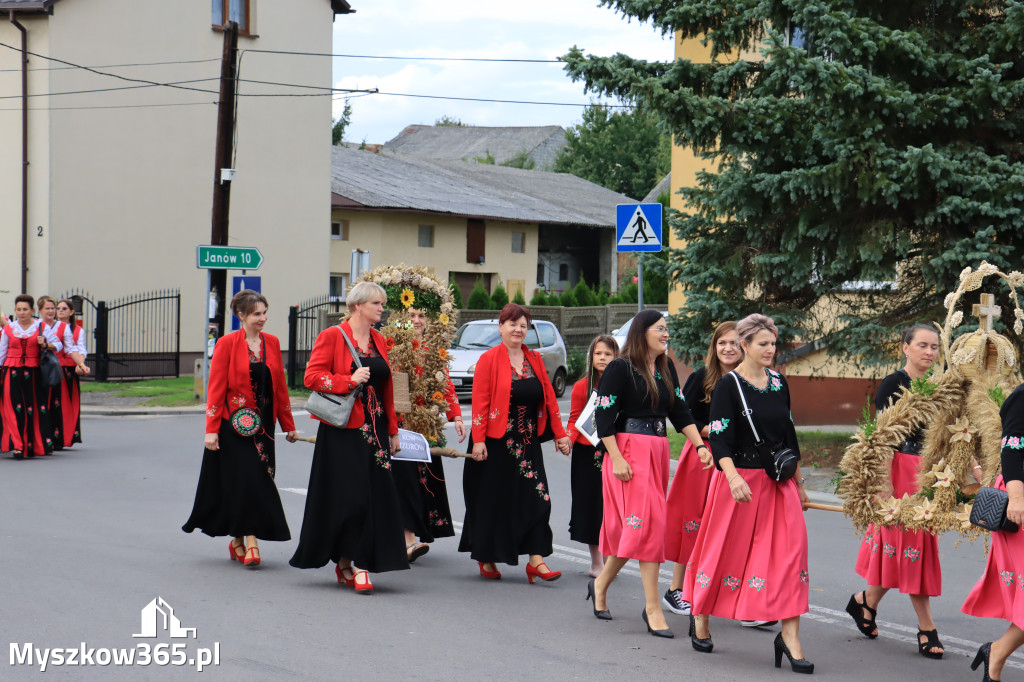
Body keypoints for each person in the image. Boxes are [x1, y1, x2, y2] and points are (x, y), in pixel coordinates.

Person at [682, 314, 813, 673]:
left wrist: (800, 485)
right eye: (763, 344)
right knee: (722, 551)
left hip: (778, 484)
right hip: (738, 482)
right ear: (745, 345)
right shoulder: (729, 386)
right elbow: (720, 437)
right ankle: (701, 615)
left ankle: (790, 636)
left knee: (791, 555)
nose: (771, 350)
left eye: (773, 343)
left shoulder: (779, 382)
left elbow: (790, 436)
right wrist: (732, 477)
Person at [846, 324, 981, 658]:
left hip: (928, 473)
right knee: (905, 547)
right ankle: (926, 628)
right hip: (899, 471)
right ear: (905, 347)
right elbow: (882, 437)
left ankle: (865, 602)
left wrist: (975, 467)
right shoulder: (893, 384)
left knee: (911, 548)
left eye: (934, 347)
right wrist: (883, 486)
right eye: (922, 345)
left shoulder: (940, 385)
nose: (930, 352)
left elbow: (954, 431)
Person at [588, 309, 705, 638]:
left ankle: (600, 585)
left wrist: (699, 446)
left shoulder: (665, 367)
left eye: (667, 329)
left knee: (639, 531)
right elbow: (603, 416)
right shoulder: (620, 367)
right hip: (626, 453)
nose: (666, 334)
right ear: (642, 333)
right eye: (660, 328)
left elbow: (680, 410)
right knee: (646, 528)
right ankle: (652, 607)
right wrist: (616, 458)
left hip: (656, 451)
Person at [289, 281, 409, 592]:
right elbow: (311, 377)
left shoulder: (380, 340)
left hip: (377, 430)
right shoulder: (332, 336)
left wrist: (393, 430)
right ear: (358, 306)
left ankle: (349, 561)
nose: (382, 309)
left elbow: (388, 389)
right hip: (343, 432)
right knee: (351, 497)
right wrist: (348, 380)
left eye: (382, 304)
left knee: (374, 496)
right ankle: (355, 562)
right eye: (376, 304)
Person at [182, 290, 297, 568]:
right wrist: (211, 430)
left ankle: (237, 540)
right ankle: (252, 542)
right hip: (233, 426)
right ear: (241, 316)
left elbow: (279, 387)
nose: (263, 318)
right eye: (256, 313)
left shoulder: (272, 343)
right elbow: (216, 388)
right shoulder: (227, 343)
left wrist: (289, 425)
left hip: (264, 429)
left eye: (265, 312)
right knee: (248, 481)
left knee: (255, 482)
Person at [460, 303, 572, 582]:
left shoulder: (534, 359)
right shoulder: (488, 359)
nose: (518, 329)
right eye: (513, 324)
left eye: (523, 325)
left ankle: (536, 559)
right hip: (495, 443)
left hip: (527, 443)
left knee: (538, 498)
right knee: (494, 501)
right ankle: (486, 555)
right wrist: (478, 440)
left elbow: (548, 399)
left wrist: (559, 434)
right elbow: (480, 403)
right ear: (501, 327)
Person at [662, 321, 739, 617]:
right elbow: (683, 417)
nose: (728, 348)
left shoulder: (749, 380)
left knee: (730, 529)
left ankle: (733, 597)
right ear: (714, 347)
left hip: (737, 463)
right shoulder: (700, 377)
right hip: (703, 458)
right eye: (722, 343)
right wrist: (714, 433)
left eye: (734, 342)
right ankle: (676, 590)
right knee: (693, 523)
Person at [391, 307, 465, 563]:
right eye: (411, 316)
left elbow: (445, 384)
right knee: (405, 481)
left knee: (424, 480)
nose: (417, 321)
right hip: (401, 425)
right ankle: (407, 537)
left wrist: (455, 415)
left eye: (422, 316)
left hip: (427, 426)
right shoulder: (395, 347)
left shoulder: (435, 350)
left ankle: (414, 533)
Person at [961, 382, 1024, 682]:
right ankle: (997, 653)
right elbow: (1011, 448)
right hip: (1020, 498)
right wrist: (1016, 498)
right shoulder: (1022, 396)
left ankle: (995, 652)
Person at [565, 334, 618, 578]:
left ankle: (611, 559)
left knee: (611, 507)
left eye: (608, 354)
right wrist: (568, 440)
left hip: (614, 452)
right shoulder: (581, 387)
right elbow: (574, 419)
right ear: (591, 357)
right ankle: (597, 562)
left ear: (616, 357)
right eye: (598, 354)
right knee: (591, 507)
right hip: (587, 455)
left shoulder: (622, 385)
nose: (603, 358)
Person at [0, 294, 62, 458]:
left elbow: (58, 344)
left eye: (25, 309)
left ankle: (35, 444)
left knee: (34, 408)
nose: (21, 313)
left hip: (34, 373)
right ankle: (18, 446)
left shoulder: (41, 327)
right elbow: (2, 353)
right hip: (11, 372)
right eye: (19, 309)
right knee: (14, 409)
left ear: (32, 310)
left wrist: (45, 344)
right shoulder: (9, 328)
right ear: (15, 310)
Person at [37, 296, 76, 451]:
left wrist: (80, 363)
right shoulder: (35, 325)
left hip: (53, 369)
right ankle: (39, 437)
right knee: (39, 403)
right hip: (37, 368)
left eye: (53, 308)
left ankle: (55, 438)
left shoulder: (63, 327)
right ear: (40, 310)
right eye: (48, 308)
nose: (52, 311)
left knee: (55, 403)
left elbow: (67, 347)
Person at [54, 298, 89, 449]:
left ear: (71, 312)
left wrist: (79, 363)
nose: (60, 311)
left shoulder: (77, 330)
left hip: (69, 368)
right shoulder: (51, 327)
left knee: (68, 404)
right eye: (58, 308)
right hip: (53, 368)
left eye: (64, 308)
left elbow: (81, 349)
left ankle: (67, 436)